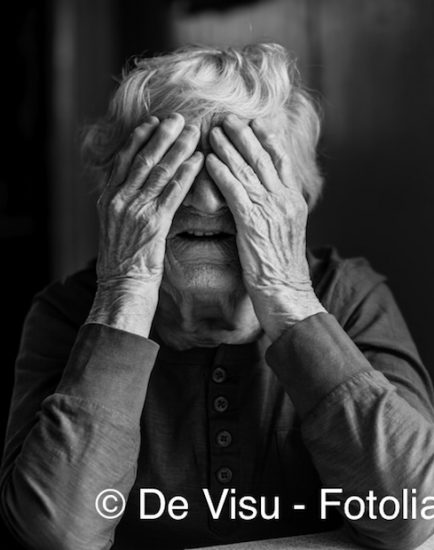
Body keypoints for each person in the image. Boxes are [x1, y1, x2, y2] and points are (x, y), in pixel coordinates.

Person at [1, 43, 434, 550]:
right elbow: (57, 534)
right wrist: (125, 292)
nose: (208, 201)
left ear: (297, 198)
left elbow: (414, 515)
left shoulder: (347, 295)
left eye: (241, 170)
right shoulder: (66, 313)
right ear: (118, 195)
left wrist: (286, 295)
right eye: (175, 166)